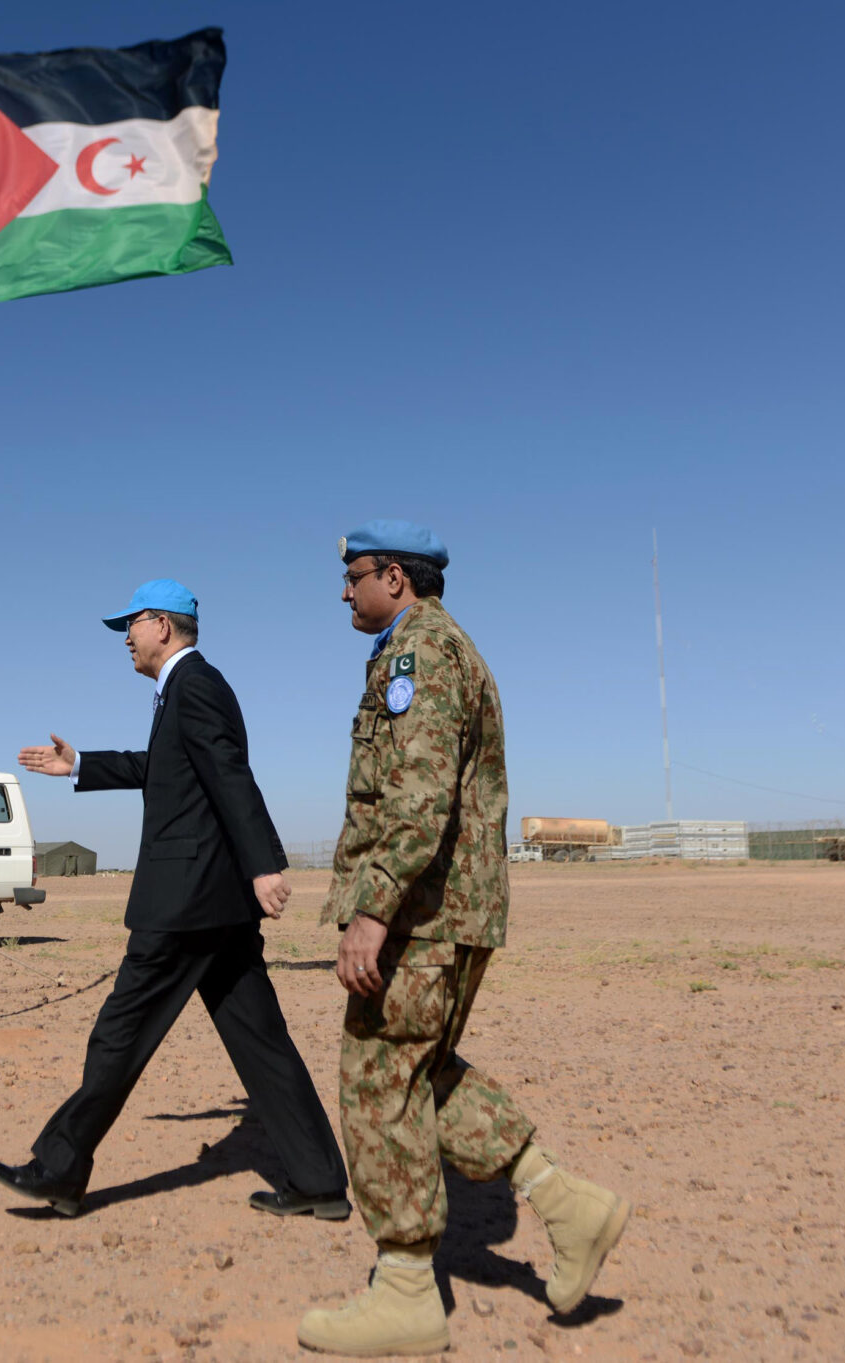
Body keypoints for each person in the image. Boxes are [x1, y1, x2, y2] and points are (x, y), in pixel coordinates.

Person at [299, 523, 629, 1356]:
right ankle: (567, 1204)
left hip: (423, 914)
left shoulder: (422, 656)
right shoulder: (423, 649)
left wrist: (373, 908)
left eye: (353, 575)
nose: (344, 590)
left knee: (377, 1078)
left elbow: (419, 795)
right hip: (444, 909)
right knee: (421, 1072)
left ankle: (407, 1287)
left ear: (396, 578)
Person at [0, 579, 348, 1219]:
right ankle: (318, 1179)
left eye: (130, 625)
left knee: (118, 1037)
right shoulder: (181, 689)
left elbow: (230, 775)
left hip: (184, 907)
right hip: (216, 907)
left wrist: (264, 867)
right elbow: (165, 767)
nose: (125, 639)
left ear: (162, 625)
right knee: (262, 1043)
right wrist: (78, 766)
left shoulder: (196, 685)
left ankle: (60, 1170)